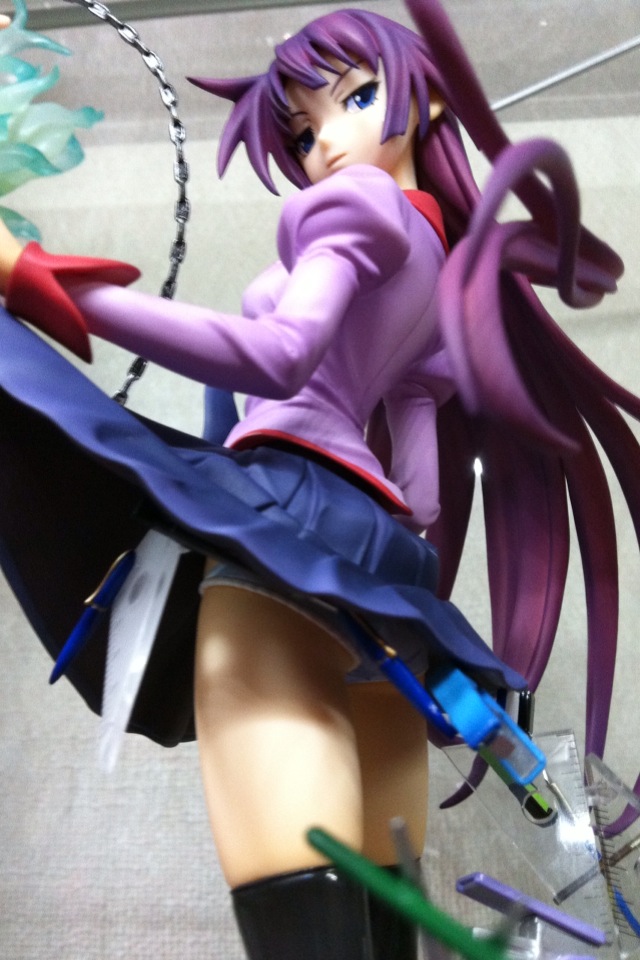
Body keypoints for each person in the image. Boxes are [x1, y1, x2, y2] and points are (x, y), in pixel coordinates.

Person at [0, 1, 637, 957]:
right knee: (384, 906)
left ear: (424, 103)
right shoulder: (441, 266)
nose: (325, 144)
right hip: (388, 573)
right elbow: (420, 484)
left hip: (290, 520)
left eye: (355, 99)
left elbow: (279, 354)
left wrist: (49, 284)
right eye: (301, 133)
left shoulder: (361, 205)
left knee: (297, 888)